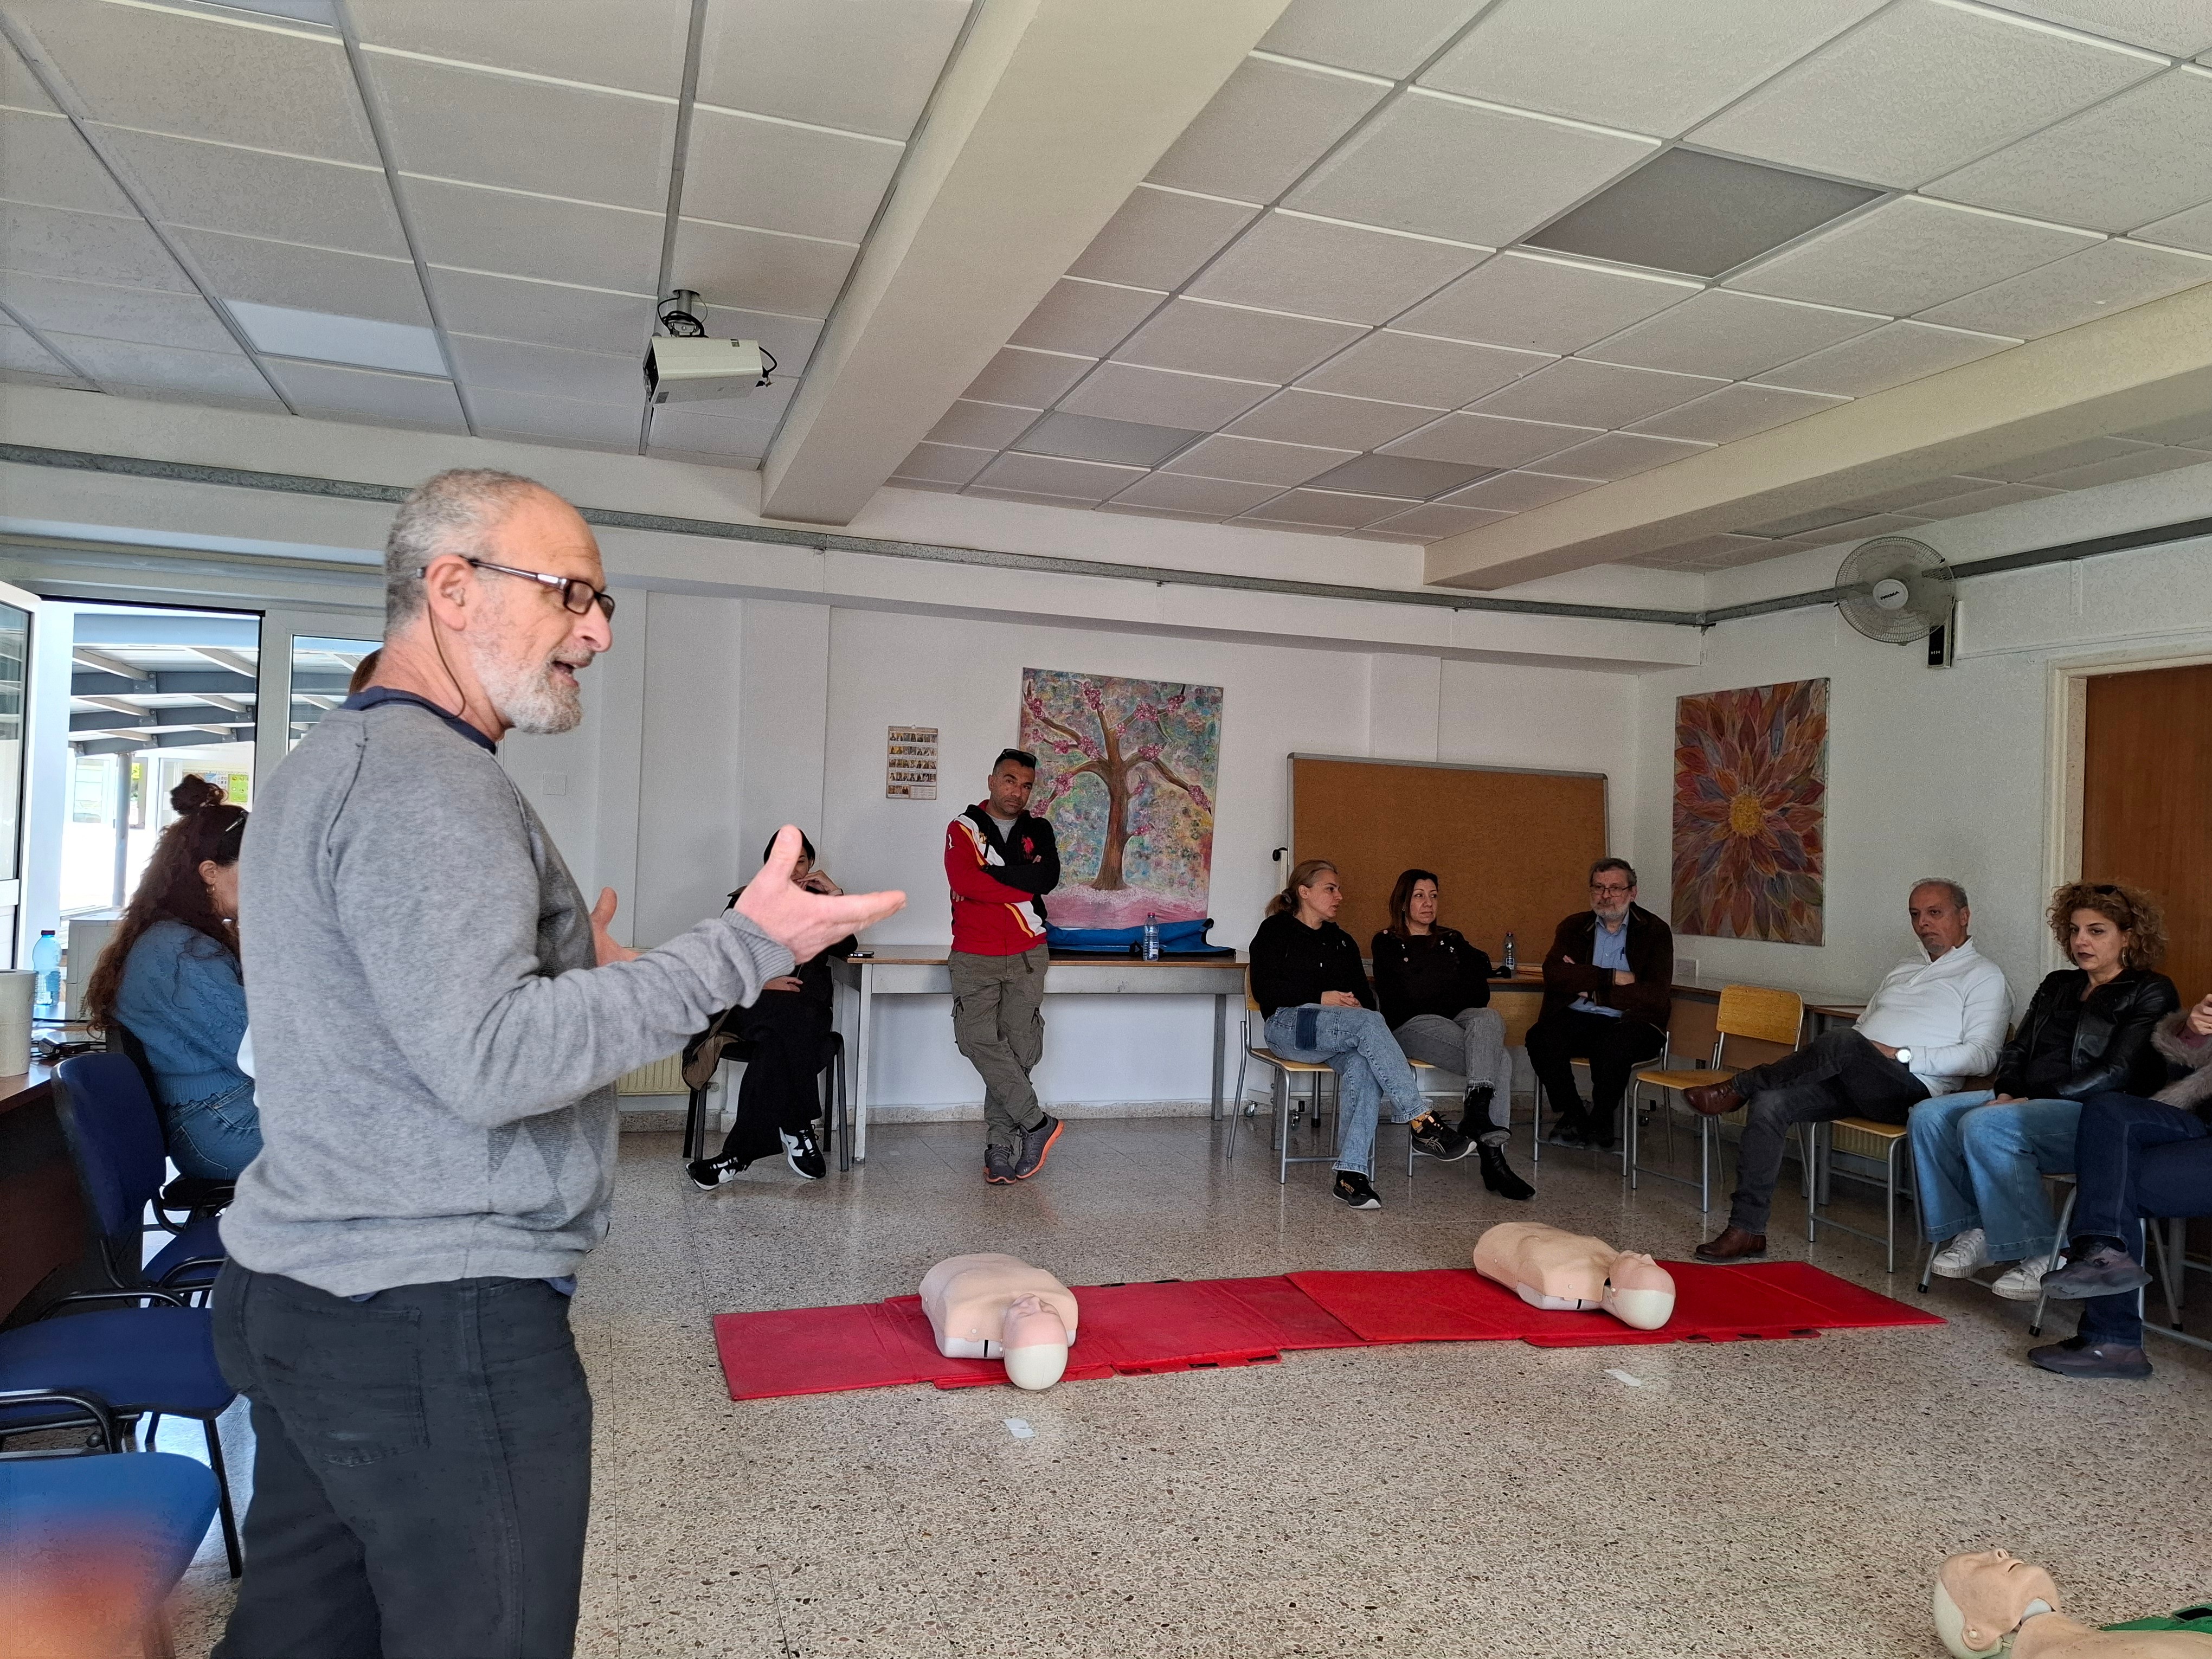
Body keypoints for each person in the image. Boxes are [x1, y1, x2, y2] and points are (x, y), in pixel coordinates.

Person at [211, 467, 903, 1659]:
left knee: (299, 1639)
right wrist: (741, 946)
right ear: (452, 589)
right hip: (432, 1315)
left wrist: (582, 973)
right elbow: (491, 1061)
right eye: (569, 593)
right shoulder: (432, 783)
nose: (598, 632)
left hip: (316, 1293)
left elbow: (406, 1016)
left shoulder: (340, 759)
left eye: (602, 601)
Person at [1688, 878, 2011, 1262]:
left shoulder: (1985, 977)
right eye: (1915, 915)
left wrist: (1901, 1055)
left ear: (1964, 916)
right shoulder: (1903, 968)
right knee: (1771, 1101)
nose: (1923, 923)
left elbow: (1983, 1057)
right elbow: (1863, 1027)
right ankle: (1747, 1230)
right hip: (1857, 1079)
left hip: (1913, 1089)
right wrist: (1860, 1054)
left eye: (1934, 913)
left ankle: (1739, 1086)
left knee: (1843, 1041)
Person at [1914, 882, 2176, 1297]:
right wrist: (2007, 1091)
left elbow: (2118, 1071)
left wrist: (2035, 1100)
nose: (2081, 941)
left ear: (2128, 936)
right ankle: (1976, 1229)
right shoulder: (2058, 984)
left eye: (2096, 931)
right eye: (2074, 931)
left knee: (1986, 1126)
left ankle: (2044, 1251)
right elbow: (2018, 1048)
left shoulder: (2150, 990)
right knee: (1929, 1115)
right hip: (2028, 1100)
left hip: (2096, 1113)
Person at [1248, 858, 1470, 1210]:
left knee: (1365, 1064)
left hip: (1336, 1035)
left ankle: (1350, 1175)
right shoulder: (1275, 931)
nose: (1339, 896)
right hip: (1289, 1027)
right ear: (1304, 892)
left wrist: (1353, 1006)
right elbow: (1266, 990)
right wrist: (1322, 997)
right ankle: (1420, 1119)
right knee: (1367, 1025)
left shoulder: (1342, 942)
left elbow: (1366, 1002)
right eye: (1330, 889)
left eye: (1339, 889)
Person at [82, 775, 258, 1180]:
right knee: (376, 1142)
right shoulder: (180, 953)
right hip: (221, 1126)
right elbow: (261, 1051)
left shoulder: (183, 940)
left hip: (222, 1114)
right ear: (210, 872)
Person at [2030, 992, 2212, 1380]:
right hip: (2200, 1124)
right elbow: (2184, 1063)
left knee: (2112, 1177)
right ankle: (2104, 1255)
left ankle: (2113, 1340)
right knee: (2109, 1110)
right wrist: (2194, 1031)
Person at [686, 831, 855, 1189]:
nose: (794, 870)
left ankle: (737, 1156)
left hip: (804, 1010)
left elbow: (848, 946)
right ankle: (797, 1126)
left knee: (777, 1042)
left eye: (801, 861)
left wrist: (835, 896)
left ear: (811, 864)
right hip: (756, 1006)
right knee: (787, 1025)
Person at [1371, 867, 1532, 1201]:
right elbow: (1408, 999)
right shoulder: (1386, 941)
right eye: (1419, 896)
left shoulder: (1452, 939)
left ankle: (1477, 1115)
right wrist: (1448, 986)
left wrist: (1436, 986)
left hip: (1457, 1019)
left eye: (1433, 896)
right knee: (1500, 1059)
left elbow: (1479, 993)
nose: (1428, 903)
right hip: (1411, 1025)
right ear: (1403, 902)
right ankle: (1493, 1160)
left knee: (1489, 1017)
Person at [946, 747, 1063, 1184]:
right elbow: (964, 880)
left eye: (1027, 785)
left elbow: (1046, 880)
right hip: (974, 953)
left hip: (1028, 951)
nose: (1018, 792)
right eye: (1010, 781)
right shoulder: (964, 827)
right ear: (993, 781)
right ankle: (1037, 1123)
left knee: (1019, 1049)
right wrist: (1021, 881)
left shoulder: (1039, 829)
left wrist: (991, 878)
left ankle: (1000, 1147)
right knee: (976, 1040)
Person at [1523, 858, 1673, 1154]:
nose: (1606, 896)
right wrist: (1613, 977)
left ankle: (1602, 1118)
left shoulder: (1655, 931)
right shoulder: (1573, 927)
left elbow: (1653, 994)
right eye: (1599, 888)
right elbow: (1555, 975)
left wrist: (1592, 991)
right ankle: (1575, 1114)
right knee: (1540, 1037)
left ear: (1633, 892)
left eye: (1615, 888)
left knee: (1613, 1045)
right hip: (1579, 1016)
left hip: (1633, 1022)